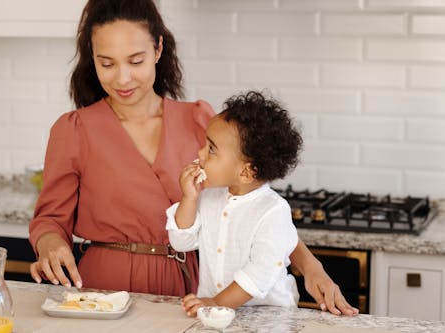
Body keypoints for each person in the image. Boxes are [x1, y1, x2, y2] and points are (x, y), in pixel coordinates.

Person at [28, 0, 358, 316]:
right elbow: (50, 220)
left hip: (191, 291)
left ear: (158, 49)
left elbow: (252, 208)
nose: (122, 78)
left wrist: (310, 266)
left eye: (136, 60)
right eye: (107, 63)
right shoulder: (73, 129)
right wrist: (49, 245)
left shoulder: (200, 121)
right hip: (103, 293)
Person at [167, 91, 302, 316]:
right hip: (216, 315)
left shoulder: (273, 211)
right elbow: (181, 242)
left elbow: (259, 272)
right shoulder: (209, 198)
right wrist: (189, 198)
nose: (200, 153)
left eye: (211, 149)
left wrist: (218, 302)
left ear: (246, 172)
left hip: (267, 318)